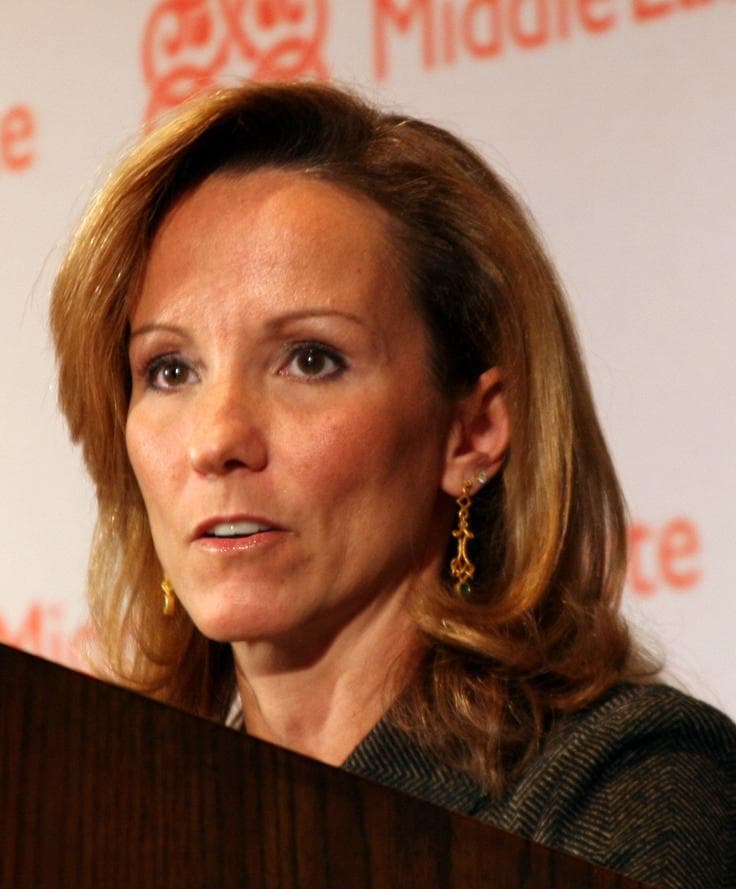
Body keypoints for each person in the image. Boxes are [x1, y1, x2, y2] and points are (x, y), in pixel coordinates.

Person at [50, 81, 735, 887]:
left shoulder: (625, 792)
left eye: (311, 359)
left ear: (473, 432)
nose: (217, 439)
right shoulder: (106, 827)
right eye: (170, 369)